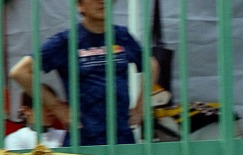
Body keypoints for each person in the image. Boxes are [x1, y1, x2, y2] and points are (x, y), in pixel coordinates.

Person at [8, 0, 158, 146]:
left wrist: (141, 107)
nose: (102, 1)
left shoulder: (122, 36)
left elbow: (152, 66)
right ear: (80, 5)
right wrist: (56, 106)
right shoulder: (67, 41)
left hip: (121, 137)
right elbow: (20, 72)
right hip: (84, 139)